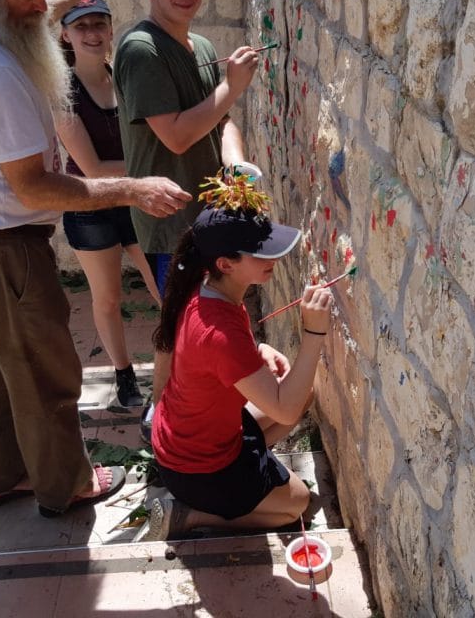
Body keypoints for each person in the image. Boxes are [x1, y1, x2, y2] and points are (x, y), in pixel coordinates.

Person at [0, 0, 191, 518]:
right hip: (2, 250)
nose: (41, 3)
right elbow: (35, 187)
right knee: (43, 374)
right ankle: (67, 485)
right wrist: (135, 188)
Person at [115, 0, 262, 439]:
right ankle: (167, 421)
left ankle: (187, 411)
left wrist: (236, 161)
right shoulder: (141, 50)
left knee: (204, 316)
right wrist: (233, 86)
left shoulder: (198, 47)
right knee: (180, 325)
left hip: (206, 215)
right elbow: (176, 132)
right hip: (170, 223)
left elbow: (220, 121)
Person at [135, 182, 334, 541]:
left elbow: (203, 356)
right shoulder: (218, 332)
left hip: (192, 436)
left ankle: (250, 483)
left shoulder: (204, 284)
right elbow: (285, 412)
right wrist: (314, 334)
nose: (273, 258)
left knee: (300, 393)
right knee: (298, 503)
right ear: (226, 263)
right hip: (196, 467)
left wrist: (256, 353)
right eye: (261, 252)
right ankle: (190, 515)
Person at [57, 0, 161, 409]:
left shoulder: (123, 76)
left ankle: (180, 364)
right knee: (109, 298)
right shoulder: (62, 93)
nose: (92, 33)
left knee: (163, 288)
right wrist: (150, 172)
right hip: (91, 207)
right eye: (81, 26)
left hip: (136, 202)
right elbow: (94, 169)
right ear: (65, 35)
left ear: (111, 29)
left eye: (99, 23)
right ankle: (123, 374)